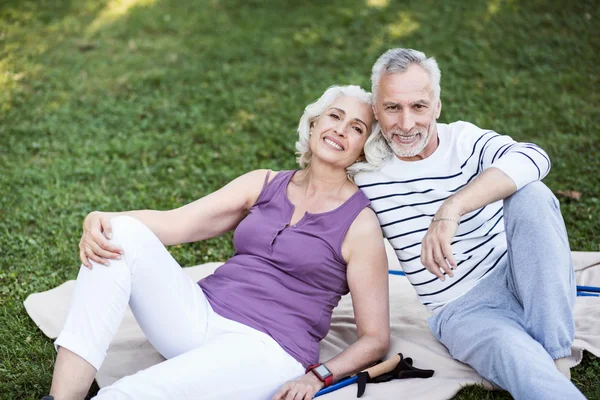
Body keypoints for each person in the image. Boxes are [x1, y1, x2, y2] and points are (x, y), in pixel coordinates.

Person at [42, 85, 390, 400]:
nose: (340, 130)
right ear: (314, 124)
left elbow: (375, 338)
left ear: (363, 151)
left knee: (137, 392)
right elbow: (175, 223)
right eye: (335, 116)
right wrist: (103, 218)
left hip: (269, 349)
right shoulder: (264, 183)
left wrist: (317, 377)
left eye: (357, 128)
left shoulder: (360, 224)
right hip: (200, 315)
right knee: (120, 232)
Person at [354, 48, 586, 399]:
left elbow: (534, 157)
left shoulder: (462, 140)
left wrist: (453, 207)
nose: (405, 124)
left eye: (418, 106)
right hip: (463, 311)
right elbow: (311, 191)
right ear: (375, 109)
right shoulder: (364, 171)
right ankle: (539, 368)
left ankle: (554, 355)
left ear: (437, 107)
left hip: (526, 277)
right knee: (516, 358)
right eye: (392, 107)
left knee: (531, 194)